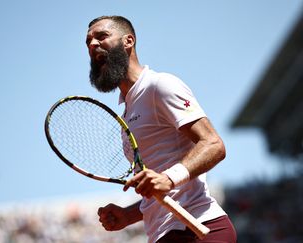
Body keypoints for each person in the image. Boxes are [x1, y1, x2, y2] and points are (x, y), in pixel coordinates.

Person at [86, 15, 237, 243]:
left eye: (101, 36)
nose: (92, 44)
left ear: (128, 41)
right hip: (164, 235)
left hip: (199, 228)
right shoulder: (127, 111)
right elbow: (162, 190)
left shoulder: (159, 85)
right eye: (88, 41)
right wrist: (128, 215)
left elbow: (214, 145)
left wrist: (168, 178)